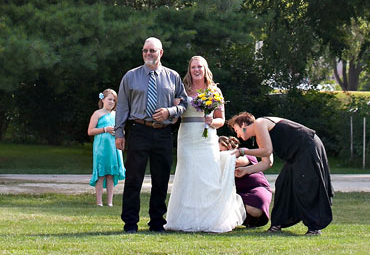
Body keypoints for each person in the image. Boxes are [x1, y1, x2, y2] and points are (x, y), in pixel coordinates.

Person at [114, 37, 188, 233]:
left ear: (160, 53)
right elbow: (122, 106)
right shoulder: (131, 76)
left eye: (152, 50)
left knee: (161, 179)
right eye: (145, 50)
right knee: (133, 179)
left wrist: (170, 112)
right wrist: (119, 133)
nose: (148, 54)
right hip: (138, 130)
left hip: (163, 133)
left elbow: (184, 103)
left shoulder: (173, 76)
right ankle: (130, 223)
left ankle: (157, 222)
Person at [164, 56, 245, 232]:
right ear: (189, 69)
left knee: (207, 175)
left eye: (199, 67)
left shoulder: (214, 91)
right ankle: (185, 218)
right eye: (193, 67)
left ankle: (209, 219)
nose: (196, 70)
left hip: (207, 138)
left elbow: (221, 119)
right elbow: (174, 118)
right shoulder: (182, 90)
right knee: (188, 174)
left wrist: (211, 122)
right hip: (186, 135)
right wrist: (175, 106)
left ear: (205, 69)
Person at [228, 112, 334, 236]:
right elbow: (267, 163)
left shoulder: (259, 123)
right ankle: (277, 224)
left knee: (306, 186)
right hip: (294, 155)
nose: (237, 135)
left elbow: (267, 150)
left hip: (307, 147)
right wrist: (246, 170)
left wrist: (242, 152)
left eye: (237, 130)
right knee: (283, 184)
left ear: (243, 125)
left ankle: (314, 228)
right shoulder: (259, 134)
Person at [220, 135, 274, 228]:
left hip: (256, 188)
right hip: (237, 194)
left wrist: (225, 156)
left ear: (229, 147)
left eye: (221, 151)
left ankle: (252, 219)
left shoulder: (243, 153)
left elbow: (238, 161)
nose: (219, 154)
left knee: (256, 205)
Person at [87, 88, 125, 207]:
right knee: (101, 173)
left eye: (114, 100)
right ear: (103, 99)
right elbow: (90, 131)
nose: (112, 102)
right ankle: (99, 201)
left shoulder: (116, 115)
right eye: (109, 99)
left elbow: (121, 129)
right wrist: (105, 129)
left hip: (113, 148)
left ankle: (109, 202)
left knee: (110, 174)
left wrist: (119, 132)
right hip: (101, 148)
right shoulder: (97, 114)